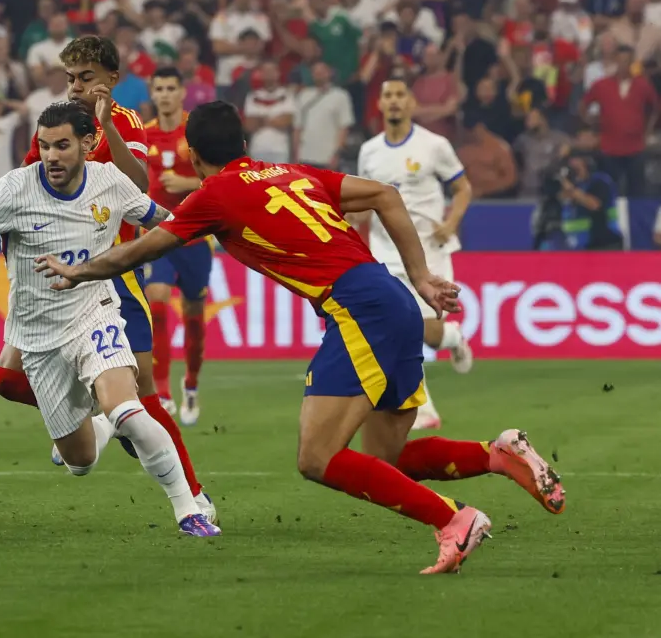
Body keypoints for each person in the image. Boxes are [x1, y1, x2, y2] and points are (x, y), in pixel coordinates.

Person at [35, 101, 567, 574]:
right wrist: (422, 278)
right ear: (244, 145)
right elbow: (384, 194)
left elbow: (143, 249)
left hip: (358, 311)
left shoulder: (213, 194)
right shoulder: (288, 172)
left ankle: (455, 520)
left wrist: (81, 271)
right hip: (396, 301)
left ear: (194, 156)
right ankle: (498, 455)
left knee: (317, 457)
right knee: (388, 458)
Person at [0, 102, 220, 538]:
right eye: (44, 146)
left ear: (87, 144)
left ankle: (189, 510)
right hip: (38, 342)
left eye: (62, 145)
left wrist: (221, 219)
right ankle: (98, 425)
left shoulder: (108, 182)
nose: (52, 156)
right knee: (81, 462)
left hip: (96, 314)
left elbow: (166, 222)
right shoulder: (12, 192)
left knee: (130, 411)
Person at [356, 77, 474, 431]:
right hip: (385, 251)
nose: (393, 101)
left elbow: (462, 186)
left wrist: (451, 221)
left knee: (427, 330)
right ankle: (423, 407)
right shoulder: (369, 151)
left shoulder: (434, 145)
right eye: (387, 95)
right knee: (398, 326)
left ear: (410, 103)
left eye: (399, 95)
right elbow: (363, 199)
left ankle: (452, 338)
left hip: (428, 251)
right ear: (380, 104)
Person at [143, 67, 211, 425]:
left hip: (196, 238)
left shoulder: (196, 132)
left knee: (194, 319)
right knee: (156, 301)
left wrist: (186, 179)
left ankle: (192, 384)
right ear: (153, 94)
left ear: (182, 92)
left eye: (171, 87)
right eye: (160, 88)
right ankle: (163, 392)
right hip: (159, 235)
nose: (166, 94)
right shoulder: (146, 133)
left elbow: (216, 179)